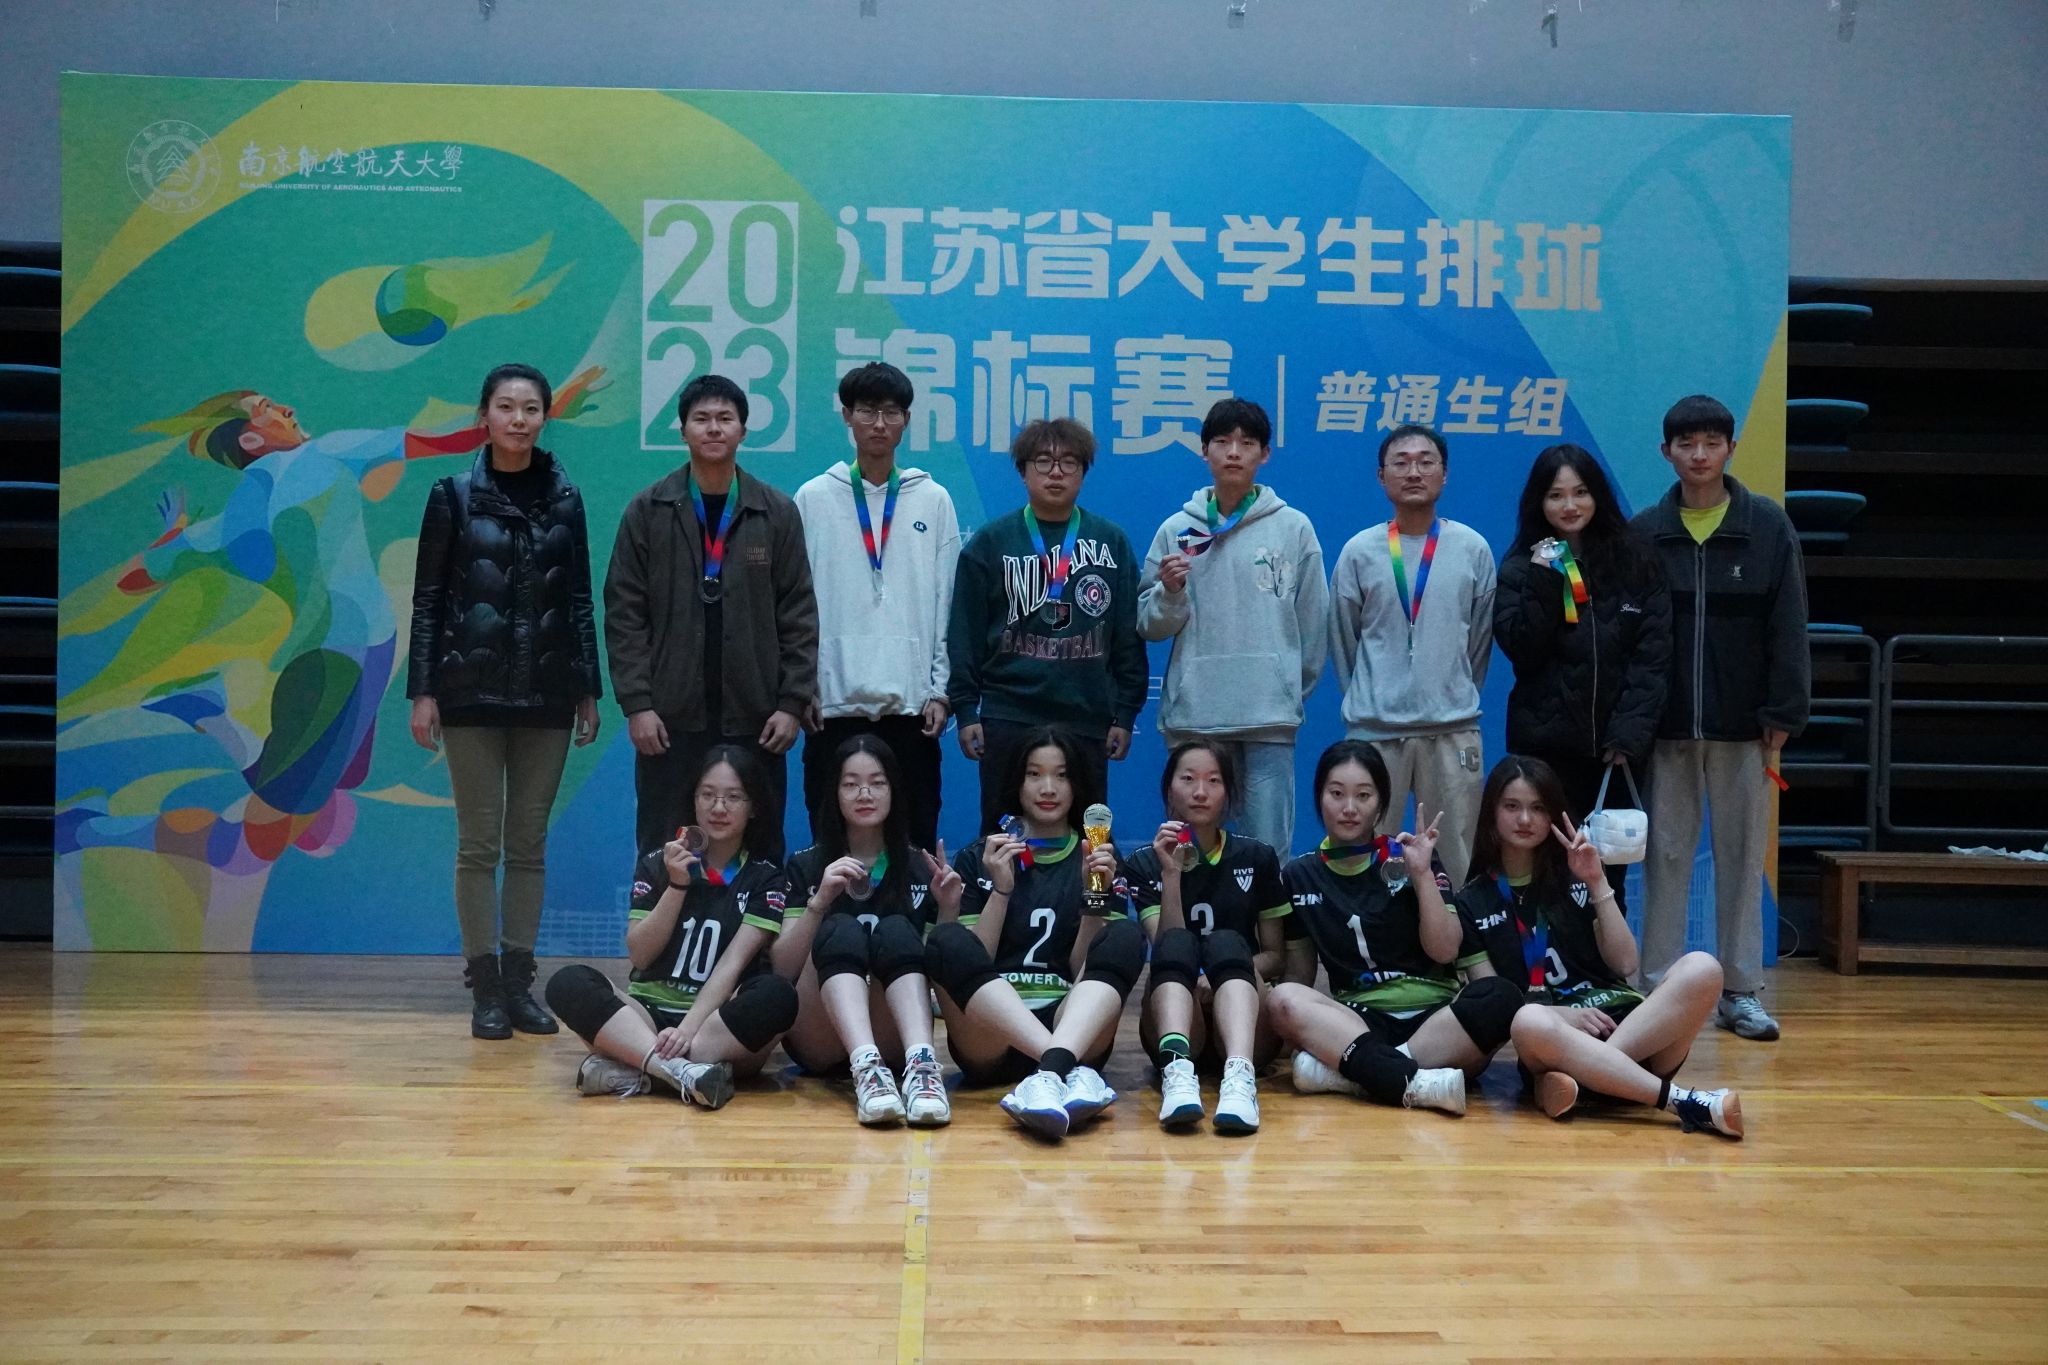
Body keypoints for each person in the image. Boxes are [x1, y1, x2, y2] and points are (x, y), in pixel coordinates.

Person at [405, 362, 602, 1040]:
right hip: (470, 693)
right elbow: (428, 600)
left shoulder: (566, 498)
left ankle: (519, 982)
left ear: (546, 417)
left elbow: (579, 598)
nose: (519, 419)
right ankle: (484, 984)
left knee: (528, 844)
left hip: (548, 693)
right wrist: (423, 691)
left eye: (531, 408)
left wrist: (588, 687)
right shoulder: (453, 495)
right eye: (506, 406)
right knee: (478, 844)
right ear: (484, 415)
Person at [1632, 395, 1810, 1041]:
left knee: (1740, 859)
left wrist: (1785, 708)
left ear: (1731, 448)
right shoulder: (1646, 531)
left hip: (1745, 729)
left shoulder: (1767, 527)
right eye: (1687, 444)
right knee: (1665, 859)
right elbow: (1632, 636)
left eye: (1711, 442)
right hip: (1667, 730)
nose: (1699, 455)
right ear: (1667, 452)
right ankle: (1659, 989)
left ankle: (1740, 991)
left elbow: (1789, 622)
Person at [1452, 756, 1743, 1137]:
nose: (1525, 819)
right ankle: (1681, 1101)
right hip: (1554, 1036)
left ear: (1553, 814)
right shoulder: (1471, 901)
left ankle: (1580, 1082)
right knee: (1527, 1020)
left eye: (1538, 808)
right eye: (1512, 806)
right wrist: (1561, 1015)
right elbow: (1493, 1002)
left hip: (1632, 1029)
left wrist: (1596, 881)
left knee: (1703, 967)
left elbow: (1625, 963)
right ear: (1492, 812)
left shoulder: (1577, 872)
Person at [605, 373, 817, 860]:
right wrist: (638, 704)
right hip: (669, 718)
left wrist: (791, 703)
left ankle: (756, 917)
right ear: (682, 430)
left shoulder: (775, 512)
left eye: (726, 418)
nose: (714, 428)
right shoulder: (648, 510)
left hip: (756, 716)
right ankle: (661, 915)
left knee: (759, 847)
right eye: (701, 419)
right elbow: (624, 614)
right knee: (664, 841)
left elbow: (799, 614)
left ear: (744, 430)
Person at [1267, 740, 1521, 1116]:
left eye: (1363, 795)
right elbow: (1300, 975)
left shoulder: (1411, 855)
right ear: (1319, 797)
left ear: (1382, 803)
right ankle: (1410, 1079)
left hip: (1437, 1020)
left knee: (1502, 996)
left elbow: (1445, 950)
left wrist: (1421, 875)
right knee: (1283, 998)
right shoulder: (1299, 874)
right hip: (1359, 1021)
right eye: (1336, 794)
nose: (1349, 807)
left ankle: (1365, 1074)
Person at [542, 747, 800, 1108]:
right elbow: (640, 954)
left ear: (753, 806)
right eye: (707, 795)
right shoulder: (657, 863)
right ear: (693, 800)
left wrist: (687, 1029)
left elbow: (732, 964)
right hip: (645, 1013)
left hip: (715, 1024)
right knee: (567, 982)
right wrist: (677, 885)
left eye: (733, 797)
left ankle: (644, 1067)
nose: (719, 807)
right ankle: (684, 1073)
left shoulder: (765, 877)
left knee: (779, 995)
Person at [923, 727, 1148, 1140]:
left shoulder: (1098, 854)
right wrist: (1002, 889)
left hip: (1071, 1024)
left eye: (1061, 775)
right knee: (943, 940)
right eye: (1034, 774)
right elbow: (975, 961)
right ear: (1017, 782)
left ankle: (1049, 1070)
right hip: (993, 1034)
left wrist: (1093, 896)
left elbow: (1084, 968)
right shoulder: (981, 855)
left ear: (1077, 785)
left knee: (1125, 937)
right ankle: (1059, 1067)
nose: (1048, 788)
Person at [1136, 397, 1329, 853]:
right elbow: (1148, 624)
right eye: (1222, 442)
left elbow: (1313, 625)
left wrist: (1284, 688)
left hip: (1268, 718)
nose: (1234, 452)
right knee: (1190, 850)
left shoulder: (1294, 528)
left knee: (1266, 853)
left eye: (1247, 443)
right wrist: (1170, 593)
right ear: (1204, 451)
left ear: (1266, 453)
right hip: (1195, 718)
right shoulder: (1176, 530)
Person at [946, 419, 1147, 835]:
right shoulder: (991, 542)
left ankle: (1095, 883)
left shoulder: (1111, 541)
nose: (1056, 473)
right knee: (1002, 833)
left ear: (1083, 472)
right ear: (1023, 471)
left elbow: (1128, 635)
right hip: (1008, 714)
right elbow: (965, 634)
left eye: (1069, 462)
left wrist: (1125, 714)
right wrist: (965, 710)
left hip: (1086, 716)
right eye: (1043, 462)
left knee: (1093, 835)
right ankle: (1000, 882)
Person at [1494, 443, 1672, 912]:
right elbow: (1523, 650)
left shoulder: (1636, 562)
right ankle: (1543, 955)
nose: (1569, 506)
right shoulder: (1520, 568)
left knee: (1608, 874)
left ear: (1598, 496)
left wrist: (1628, 734)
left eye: (1580, 493)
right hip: (1546, 752)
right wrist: (1543, 578)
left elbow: (1652, 657)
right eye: (1555, 495)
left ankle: (1605, 954)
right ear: (1539, 502)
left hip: (1616, 752)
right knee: (1543, 868)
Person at [793, 363, 960, 850]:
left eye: (891, 412)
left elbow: (947, 602)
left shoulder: (933, 499)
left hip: (912, 708)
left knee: (915, 840)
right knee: (831, 844)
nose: (879, 424)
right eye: (867, 411)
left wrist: (941, 691)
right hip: (831, 707)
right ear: (847, 415)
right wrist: (803, 688)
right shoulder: (813, 498)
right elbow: (795, 605)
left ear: (907, 419)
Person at [1328, 423, 1496, 884]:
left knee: (1457, 857)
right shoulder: (1359, 552)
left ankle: (1457, 932)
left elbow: (1479, 642)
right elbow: (1344, 642)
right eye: (1401, 463)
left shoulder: (1472, 549)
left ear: (1445, 474)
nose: (1414, 472)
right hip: (1375, 732)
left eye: (1426, 462)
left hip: (1452, 729)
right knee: (1364, 855)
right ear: (1381, 476)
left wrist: (1449, 691)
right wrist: (1374, 694)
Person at [776, 734, 956, 1127]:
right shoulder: (807, 865)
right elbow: (782, 968)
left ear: (894, 791)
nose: (864, 794)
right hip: (819, 1034)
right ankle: (866, 1067)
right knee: (840, 928)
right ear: (834, 793)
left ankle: (922, 1066)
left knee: (896, 931)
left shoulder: (919, 866)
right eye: (850, 784)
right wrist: (819, 903)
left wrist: (948, 907)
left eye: (877, 783)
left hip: (892, 1032)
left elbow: (943, 972)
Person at [1120, 741, 1289, 1134]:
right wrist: (1171, 875)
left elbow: (1275, 956)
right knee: (1178, 945)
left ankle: (1239, 1077)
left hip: (1244, 1011)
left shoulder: (1256, 857)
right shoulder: (1145, 861)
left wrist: (1219, 976)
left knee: (1227, 943)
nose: (1200, 792)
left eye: (1213, 781)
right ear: (1169, 789)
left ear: (1229, 792)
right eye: (1188, 779)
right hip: (1181, 1012)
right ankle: (1178, 1072)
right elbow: (1165, 946)